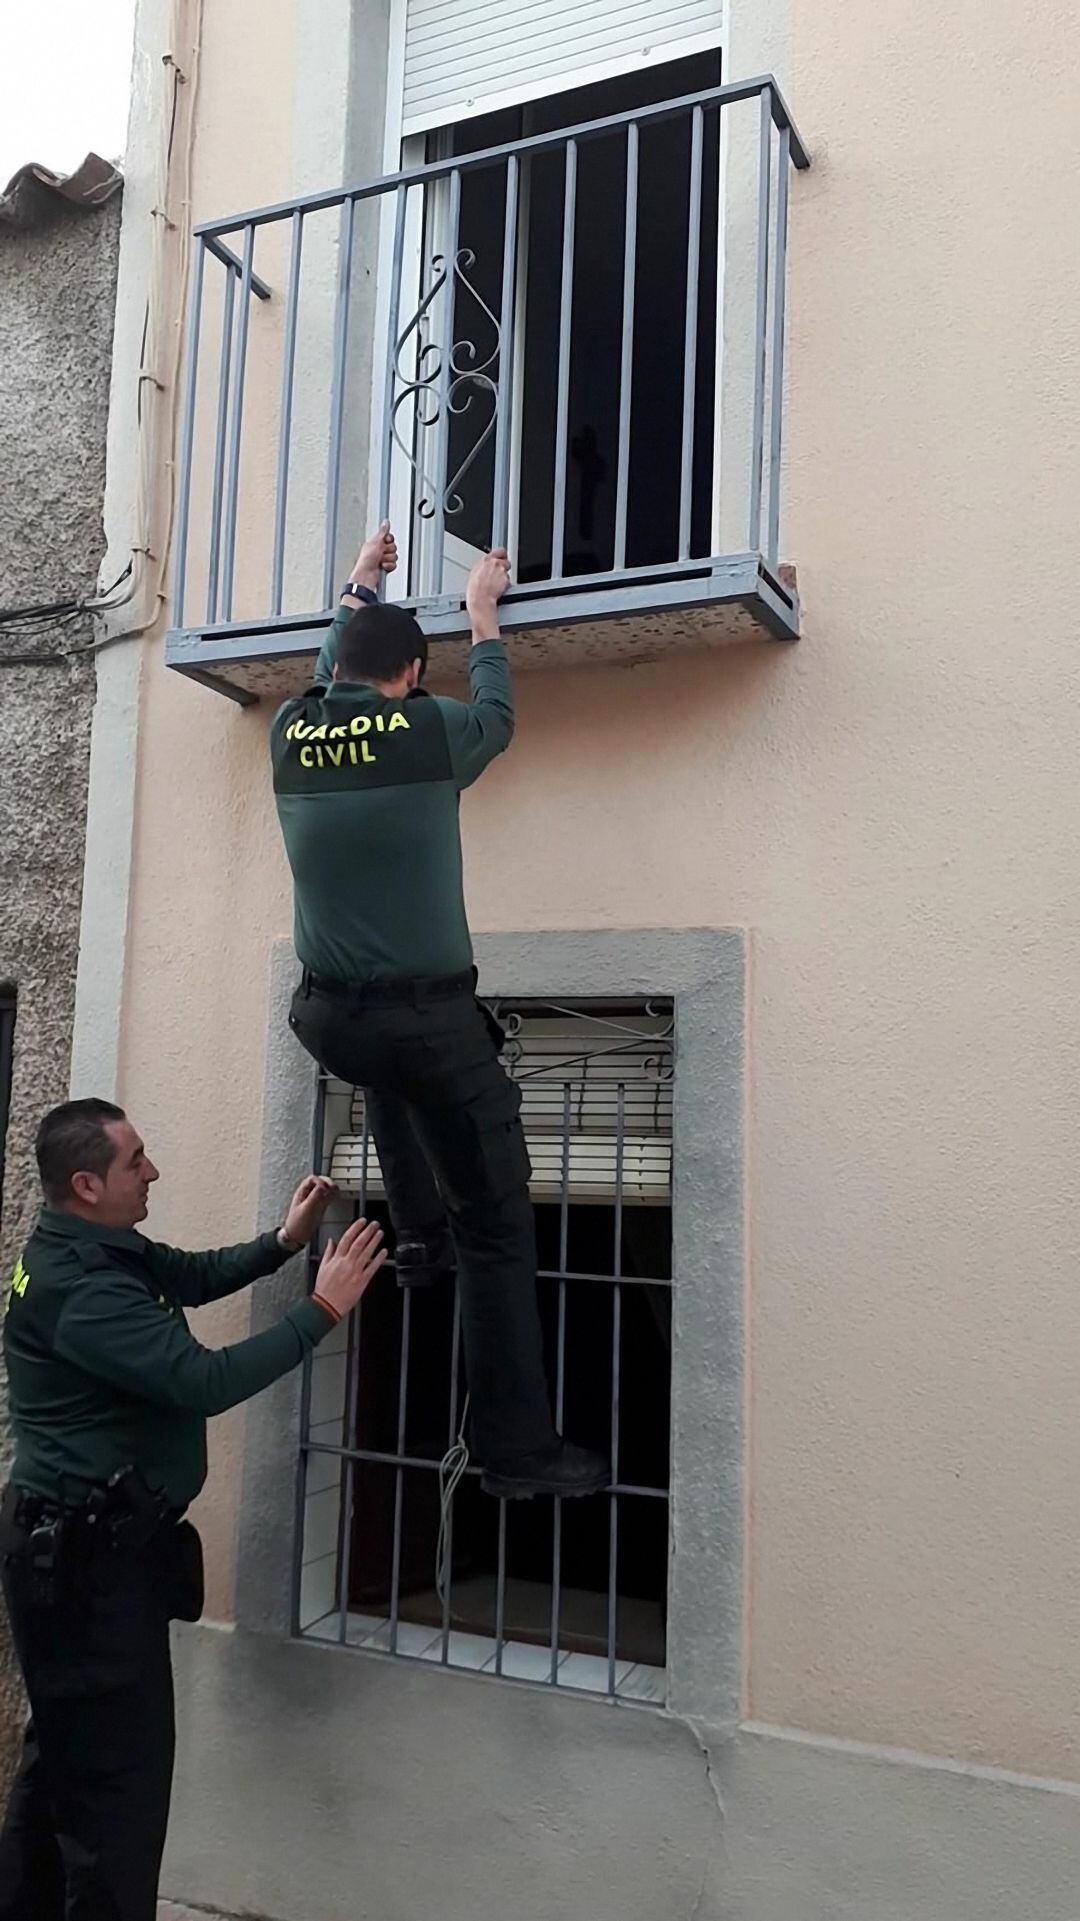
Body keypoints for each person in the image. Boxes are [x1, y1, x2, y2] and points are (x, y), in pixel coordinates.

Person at [271, 523, 608, 1501]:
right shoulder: (429, 732)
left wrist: (360, 581)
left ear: (341, 667)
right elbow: (495, 717)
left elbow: (333, 665)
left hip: (328, 1017)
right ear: (413, 674)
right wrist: (485, 616)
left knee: (388, 1073)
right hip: (422, 1019)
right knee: (496, 1224)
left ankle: (416, 1236)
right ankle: (517, 1449)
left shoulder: (291, 732)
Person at [0, 1097, 384, 1921]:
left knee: (66, 1762)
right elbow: (203, 1380)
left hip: (85, 1555)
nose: (153, 1171)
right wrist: (321, 1309)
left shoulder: (92, 1246)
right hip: (84, 1570)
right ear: (86, 1184)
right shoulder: (82, 1291)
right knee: (118, 1793)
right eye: (135, 1160)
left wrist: (282, 1241)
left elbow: (186, 1273)